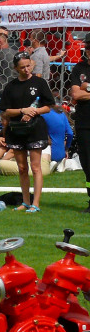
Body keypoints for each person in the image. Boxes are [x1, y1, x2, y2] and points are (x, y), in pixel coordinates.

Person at [0, 51, 55, 212]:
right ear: (16, 68)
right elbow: (5, 111)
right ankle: (25, 202)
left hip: (35, 129)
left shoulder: (40, 83)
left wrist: (33, 112)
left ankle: (35, 203)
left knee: (36, 167)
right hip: (16, 130)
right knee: (22, 167)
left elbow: (48, 106)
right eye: (22, 67)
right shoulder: (11, 86)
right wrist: (22, 110)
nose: (26, 69)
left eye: (28, 66)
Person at [68, 36, 90, 212]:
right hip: (84, 122)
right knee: (87, 163)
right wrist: (81, 90)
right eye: (88, 47)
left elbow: (81, 92)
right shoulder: (79, 68)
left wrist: (86, 88)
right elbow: (75, 95)